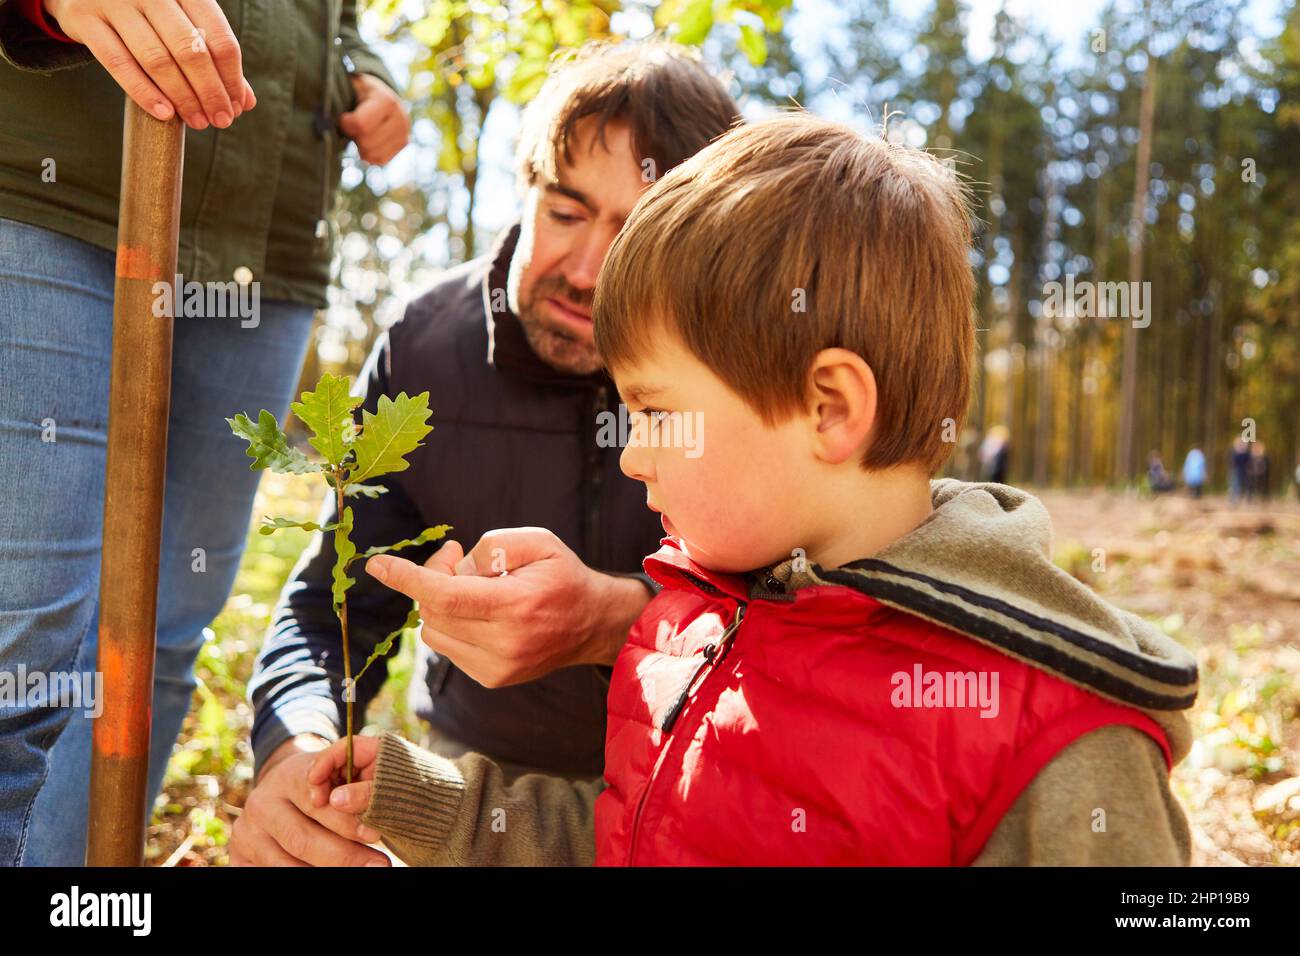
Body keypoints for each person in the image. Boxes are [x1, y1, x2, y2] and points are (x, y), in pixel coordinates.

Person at [313, 114, 1199, 866]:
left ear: (829, 407)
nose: (633, 456)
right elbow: (644, 832)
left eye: (657, 412)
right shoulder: (694, 622)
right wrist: (436, 802)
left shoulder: (1056, 748)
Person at [229, 39, 741, 866]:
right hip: (476, 795)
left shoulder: (746, 365)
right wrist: (296, 750)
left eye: (638, 233)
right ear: (524, 186)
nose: (587, 271)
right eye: (566, 212)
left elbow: (816, 620)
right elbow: (331, 612)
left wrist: (617, 623)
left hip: (703, 782)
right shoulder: (426, 350)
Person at [0, 0, 409, 866]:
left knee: (165, 627)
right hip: (48, 194)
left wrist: (364, 70)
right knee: (21, 637)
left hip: (264, 242)